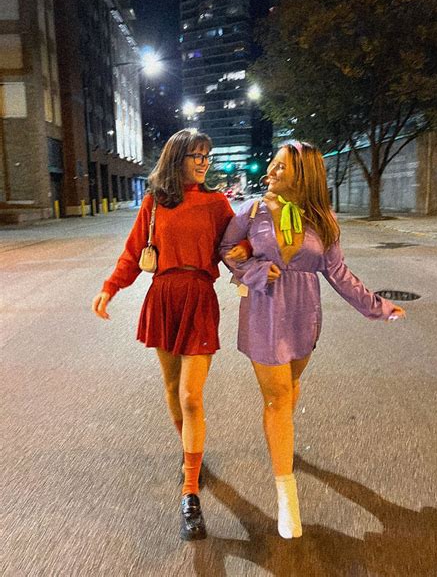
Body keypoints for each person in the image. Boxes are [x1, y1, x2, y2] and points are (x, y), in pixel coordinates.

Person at [220, 141, 405, 539]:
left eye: (280, 168)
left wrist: (379, 306)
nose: (270, 172)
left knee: (290, 388)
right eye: (271, 166)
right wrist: (252, 269)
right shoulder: (251, 212)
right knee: (277, 397)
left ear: (302, 177)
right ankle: (287, 496)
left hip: (304, 317)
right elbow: (227, 249)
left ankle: (282, 436)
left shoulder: (322, 222)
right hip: (264, 313)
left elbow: (339, 274)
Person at [92, 129, 248, 541]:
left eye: (206, 157)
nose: (203, 163)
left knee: (191, 395)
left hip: (199, 298)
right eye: (196, 156)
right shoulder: (155, 203)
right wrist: (110, 287)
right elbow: (131, 252)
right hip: (162, 296)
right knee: (172, 385)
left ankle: (190, 490)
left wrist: (257, 262)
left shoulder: (217, 203)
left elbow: (237, 246)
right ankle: (190, 455)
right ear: (176, 159)